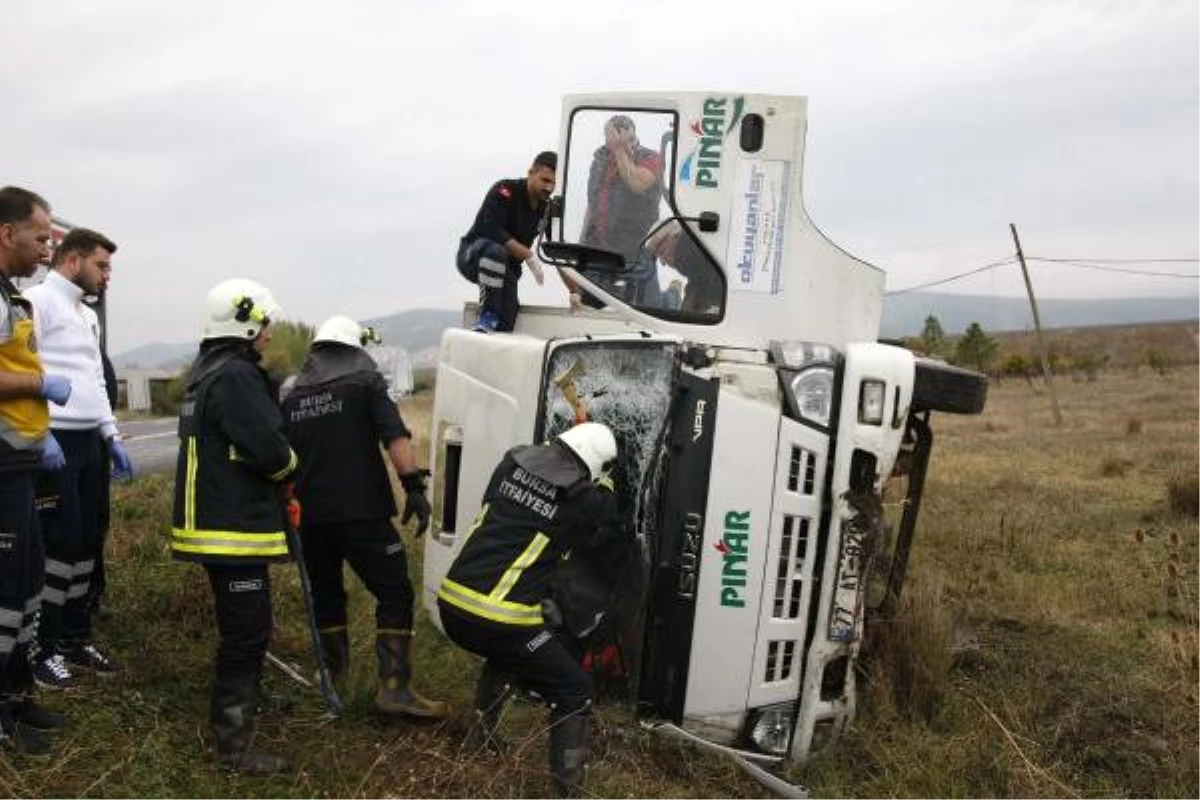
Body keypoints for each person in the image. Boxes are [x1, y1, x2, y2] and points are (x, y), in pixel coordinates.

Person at [437, 423, 630, 798]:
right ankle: (569, 791)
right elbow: (610, 511)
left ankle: (481, 741)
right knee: (574, 687)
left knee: (511, 655)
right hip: (498, 618)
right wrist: (606, 477)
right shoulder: (583, 498)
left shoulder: (511, 462)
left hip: (453, 602)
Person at [282, 315, 448, 720]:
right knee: (394, 592)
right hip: (361, 513)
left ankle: (333, 683)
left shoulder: (291, 393)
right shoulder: (365, 381)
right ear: (355, 347)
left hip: (309, 517)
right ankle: (395, 690)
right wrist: (413, 488)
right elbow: (395, 437)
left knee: (326, 594)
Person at [170, 278, 298, 775]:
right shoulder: (237, 377)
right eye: (265, 323)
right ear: (246, 322)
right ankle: (233, 747)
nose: (269, 333)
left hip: (215, 525)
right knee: (247, 633)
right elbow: (267, 447)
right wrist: (290, 470)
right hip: (232, 529)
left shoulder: (206, 373)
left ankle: (240, 719)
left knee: (242, 629)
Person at [24, 227, 130, 690]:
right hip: (56, 441)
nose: (107, 276)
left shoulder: (87, 315)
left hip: (91, 440)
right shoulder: (38, 301)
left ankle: (75, 636)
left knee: (88, 538)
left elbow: (94, 378)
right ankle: (43, 646)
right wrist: (41, 431)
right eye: (101, 266)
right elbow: (28, 371)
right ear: (72, 261)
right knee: (60, 542)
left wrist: (111, 433)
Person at [0, 186, 70, 755]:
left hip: (18, 460)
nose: (46, 247)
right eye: (40, 237)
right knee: (2, 589)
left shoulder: (11, 296)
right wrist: (40, 386)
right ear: (7, 234)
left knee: (25, 584)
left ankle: (18, 696)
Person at [457, 151, 562, 333]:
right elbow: (492, 229)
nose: (549, 188)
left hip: (506, 268)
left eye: (554, 183)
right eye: (545, 180)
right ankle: (486, 316)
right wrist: (528, 255)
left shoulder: (547, 210)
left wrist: (576, 291)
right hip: (475, 255)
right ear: (531, 172)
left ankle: (495, 323)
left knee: (507, 321)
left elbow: (559, 251)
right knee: (496, 251)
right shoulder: (505, 190)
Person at [579, 115, 663, 306]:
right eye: (615, 140)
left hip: (637, 250)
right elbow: (593, 203)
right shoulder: (600, 161)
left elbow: (637, 183)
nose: (625, 144)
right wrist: (582, 243)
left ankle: (672, 295)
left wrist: (619, 150)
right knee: (591, 302)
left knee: (645, 307)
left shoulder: (651, 158)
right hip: (600, 247)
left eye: (630, 139)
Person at [645, 220, 724, 316]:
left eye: (662, 252)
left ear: (674, 236)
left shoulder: (703, 261)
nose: (663, 263)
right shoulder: (698, 272)